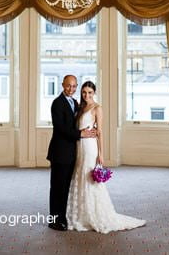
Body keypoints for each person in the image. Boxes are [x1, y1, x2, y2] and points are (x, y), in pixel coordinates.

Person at [66, 81, 146, 234]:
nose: (86, 95)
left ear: (94, 93)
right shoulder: (80, 107)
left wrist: (101, 154)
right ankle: (79, 214)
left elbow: (100, 132)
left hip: (90, 147)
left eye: (89, 92)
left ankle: (93, 214)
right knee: (79, 176)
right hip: (79, 147)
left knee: (89, 177)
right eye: (84, 92)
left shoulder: (97, 108)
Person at [47, 75, 97, 231]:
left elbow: (81, 121)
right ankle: (54, 220)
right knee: (57, 187)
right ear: (62, 85)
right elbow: (60, 128)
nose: (71, 89)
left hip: (73, 152)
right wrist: (80, 134)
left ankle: (64, 216)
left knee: (67, 187)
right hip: (60, 152)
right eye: (69, 86)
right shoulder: (57, 103)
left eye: (74, 86)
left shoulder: (75, 103)